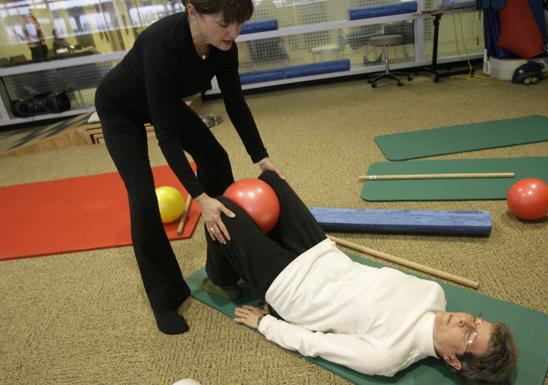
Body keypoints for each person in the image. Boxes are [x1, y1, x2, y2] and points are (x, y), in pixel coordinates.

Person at [205, 171, 517, 385]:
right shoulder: (434, 293)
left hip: (291, 288)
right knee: (269, 181)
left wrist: (265, 324)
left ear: (453, 361)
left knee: (221, 209)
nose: (465, 321)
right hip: (322, 253)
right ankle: (242, 252)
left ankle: (220, 274)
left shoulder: (389, 356)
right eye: (477, 321)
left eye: (471, 337)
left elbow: (314, 344)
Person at [94, 0, 284, 335]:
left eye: (240, 23)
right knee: (142, 197)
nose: (234, 33)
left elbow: (235, 103)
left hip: (161, 101)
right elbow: (166, 137)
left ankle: (223, 263)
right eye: (225, 23)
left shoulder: (223, 47)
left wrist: (261, 157)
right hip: (120, 107)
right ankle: (164, 299)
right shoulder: (161, 43)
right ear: (193, 11)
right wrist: (199, 197)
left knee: (216, 159)